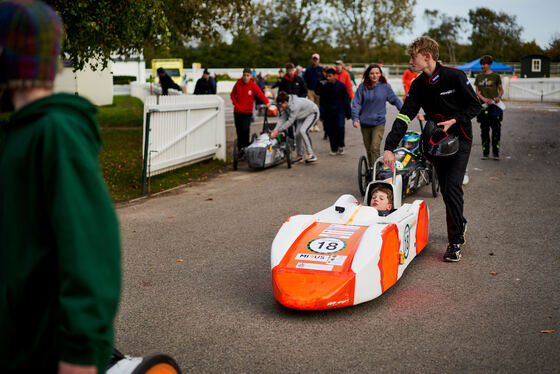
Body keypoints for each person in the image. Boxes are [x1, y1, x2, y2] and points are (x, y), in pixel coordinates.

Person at [0, 1, 121, 373]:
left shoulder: (56, 131)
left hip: (43, 354)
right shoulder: (17, 133)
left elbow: (90, 251)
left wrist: (80, 356)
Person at [383, 36, 481, 262]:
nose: (410, 61)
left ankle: (455, 241)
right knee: (447, 190)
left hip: (461, 139)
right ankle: (460, 222)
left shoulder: (455, 76)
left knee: (452, 188)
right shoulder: (418, 84)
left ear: (427, 56)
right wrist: (389, 147)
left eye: (413, 57)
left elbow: (475, 105)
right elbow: (404, 115)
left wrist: (455, 119)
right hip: (435, 142)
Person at [352, 63, 402, 167]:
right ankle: (371, 169)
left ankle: (377, 171)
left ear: (380, 74)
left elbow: (395, 100)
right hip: (365, 122)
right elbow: (356, 103)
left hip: (378, 123)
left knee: (374, 148)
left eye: (377, 73)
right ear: (368, 75)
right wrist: (355, 118)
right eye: (372, 73)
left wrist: (406, 111)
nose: (374, 75)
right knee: (369, 149)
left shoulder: (385, 87)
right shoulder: (362, 88)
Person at [270, 91, 319, 164]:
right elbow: (282, 118)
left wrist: (278, 131)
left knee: (303, 131)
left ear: (285, 102)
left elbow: (290, 122)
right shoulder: (286, 104)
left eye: (281, 105)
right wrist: (275, 129)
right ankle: (300, 156)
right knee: (297, 134)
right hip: (302, 115)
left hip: (312, 113)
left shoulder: (294, 106)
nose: (280, 108)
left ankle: (311, 154)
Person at [230, 68, 270, 153]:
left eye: (247, 75)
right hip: (237, 112)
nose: (245, 77)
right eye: (244, 75)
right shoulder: (238, 84)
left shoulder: (253, 85)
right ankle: (240, 149)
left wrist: (267, 102)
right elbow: (232, 95)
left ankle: (245, 148)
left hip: (247, 112)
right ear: (242, 75)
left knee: (245, 130)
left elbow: (260, 94)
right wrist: (236, 104)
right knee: (239, 131)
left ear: (250, 76)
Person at [474, 55, 504, 160]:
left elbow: (501, 90)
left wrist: (498, 97)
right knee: (484, 131)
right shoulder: (479, 77)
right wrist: (483, 98)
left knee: (496, 131)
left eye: (484, 64)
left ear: (490, 64)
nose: (482, 66)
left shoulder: (496, 76)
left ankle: (496, 153)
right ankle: (485, 153)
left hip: (495, 108)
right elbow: (477, 91)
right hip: (483, 108)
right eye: (481, 64)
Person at [318, 68, 351, 155]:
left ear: (334, 76)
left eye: (330, 76)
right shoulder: (324, 87)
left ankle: (341, 145)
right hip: (329, 112)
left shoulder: (341, 86)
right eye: (327, 76)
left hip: (340, 110)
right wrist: (322, 113)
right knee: (331, 130)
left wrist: (348, 112)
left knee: (340, 127)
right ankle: (333, 148)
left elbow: (346, 99)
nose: (328, 78)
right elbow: (322, 101)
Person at [303, 53, 324, 132]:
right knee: (311, 108)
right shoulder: (308, 69)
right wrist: (306, 89)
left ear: (318, 60)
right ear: (312, 60)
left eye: (316, 59)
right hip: (310, 90)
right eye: (314, 59)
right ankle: (311, 125)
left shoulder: (321, 69)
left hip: (318, 92)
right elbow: (304, 79)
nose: (315, 60)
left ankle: (316, 124)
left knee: (317, 108)